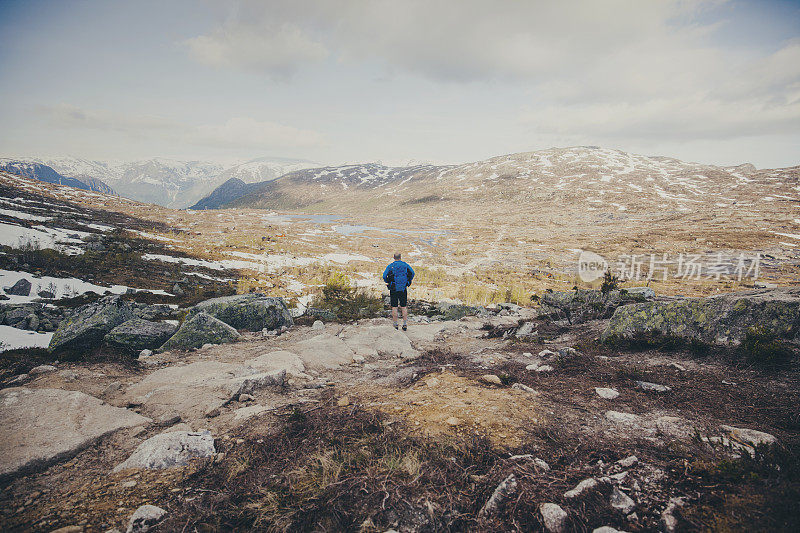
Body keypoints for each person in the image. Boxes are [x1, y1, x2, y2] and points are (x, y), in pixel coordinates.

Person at [382, 252, 414, 330]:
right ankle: (405, 324)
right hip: (403, 288)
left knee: (394, 307)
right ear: (400, 257)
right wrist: (408, 281)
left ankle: (395, 324)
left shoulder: (391, 266)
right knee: (403, 306)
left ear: (394, 257)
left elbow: (384, 276)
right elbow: (412, 273)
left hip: (393, 288)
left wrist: (388, 282)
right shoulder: (405, 265)